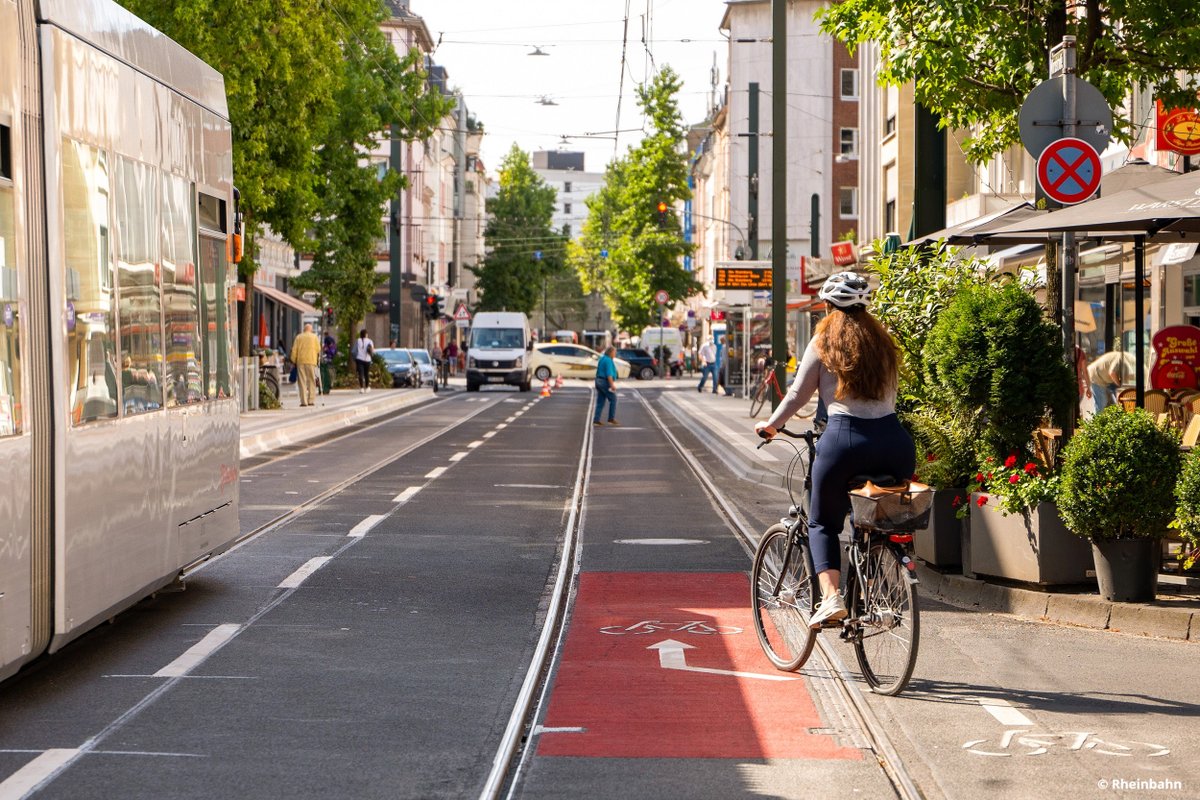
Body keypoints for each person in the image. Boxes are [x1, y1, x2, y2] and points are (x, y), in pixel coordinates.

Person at [755, 272, 916, 628]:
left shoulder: (823, 343)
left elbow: (798, 396)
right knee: (876, 520)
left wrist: (771, 426)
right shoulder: (885, 343)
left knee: (823, 521)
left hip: (844, 441)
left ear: (827, 307)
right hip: (895, 442)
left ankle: (831, 599)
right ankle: (878, 589)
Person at [1087, 349, 1133, 413]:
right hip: (1096, 376)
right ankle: (1098, 422)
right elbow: (1112, 373)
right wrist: (1119, 385)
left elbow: (1127, 377)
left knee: (1109, 404)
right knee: (1101, 403)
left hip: (1104, 378)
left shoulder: (1124, 361)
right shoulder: (1120, 358)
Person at [290, 322, 321, 407]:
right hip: (311, 361)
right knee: (311, 380)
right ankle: (311, 400)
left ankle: (304, 401)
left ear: (304, 330)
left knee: (302, 381)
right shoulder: (314, 337)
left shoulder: (299, 337)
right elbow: (318, 349)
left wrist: (293, 360)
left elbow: (294, 350)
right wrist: (317, 360)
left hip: (301, 361)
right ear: (311, 330)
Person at [593, 345, 620, 426]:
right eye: (614, 352)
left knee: (600, 401)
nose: (615, 354)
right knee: (613, 399)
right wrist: (612, 385)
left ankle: (596, 420)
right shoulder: (608, 360)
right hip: (604, 382)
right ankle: (611, 419)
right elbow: (609, 374)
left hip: (598, 381)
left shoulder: (602, 358)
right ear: (611, 352)